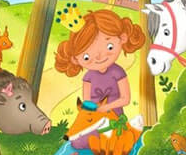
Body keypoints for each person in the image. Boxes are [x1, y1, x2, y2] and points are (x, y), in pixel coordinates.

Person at [55, 10, 145, 147]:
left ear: (122, 38)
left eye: (109, 46)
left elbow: (125, 99)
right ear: (75, 59)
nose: (99, 57)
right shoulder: (88, 77)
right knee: (79, 143)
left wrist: (105, 108)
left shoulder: (117, 72)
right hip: (92, 119)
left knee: (111, 142)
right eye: (86, 56)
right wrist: (89, 112)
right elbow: (87, 102)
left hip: (113, 116)